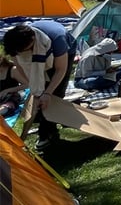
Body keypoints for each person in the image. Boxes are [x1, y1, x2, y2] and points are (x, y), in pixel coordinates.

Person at [2, 21, 77, 150]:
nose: (22, 54)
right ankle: (45, 123)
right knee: (38, 94)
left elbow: (60, 70)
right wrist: (34, 85)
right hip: (41, 55)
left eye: (24, 51)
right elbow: (20, 66)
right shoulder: (14, 43)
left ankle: (47, 134)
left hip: (62, 54)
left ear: (32, 41)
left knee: (54, 94)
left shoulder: (57, 40)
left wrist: (47, 93)